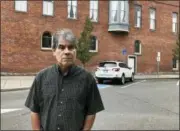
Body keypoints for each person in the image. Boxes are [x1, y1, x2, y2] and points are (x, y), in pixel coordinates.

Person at [25, 28, 104, 131]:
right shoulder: (41, 78)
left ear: (75, 51)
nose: (67, 52)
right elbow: (34, 110)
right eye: (61, 47)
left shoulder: (87, 79)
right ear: (54, 51)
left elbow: (91, 111)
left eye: (71, 47)